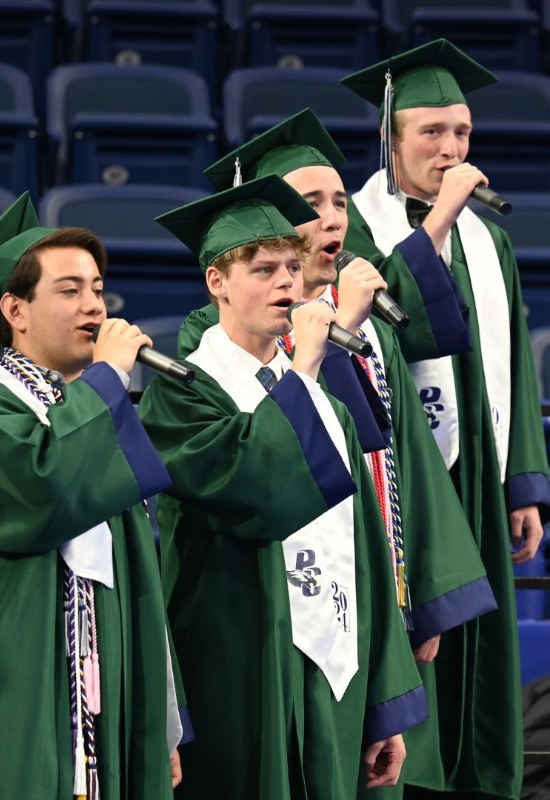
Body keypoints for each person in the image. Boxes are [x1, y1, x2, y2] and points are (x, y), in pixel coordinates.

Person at [140, 175, 428, 800]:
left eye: (292, 269)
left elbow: (367, 557)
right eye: (264, 269)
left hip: (334, 666)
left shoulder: (331, 405)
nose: (287, 285)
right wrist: (302, 370)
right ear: (216, 281)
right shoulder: (183, 391)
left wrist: (386, 707)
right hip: (237, 659)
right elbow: (253, 489)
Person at [195, 108, 496, 662]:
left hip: (381, 582)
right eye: (309, 206)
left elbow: (404, 459)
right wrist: (338, 333)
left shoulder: (370, 329)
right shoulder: (215, 337)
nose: (334, 219)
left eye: (340, 202)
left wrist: (424, 594)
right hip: (284, 604)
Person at [341, 39, 550, 799]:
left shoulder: (489, 241)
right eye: (431, 132)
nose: (450, 148)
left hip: (476, 472)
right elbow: (387, 320)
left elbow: (514, 371)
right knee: (416, 640)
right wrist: (437, 224)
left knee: (477, 651)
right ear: (392, 136)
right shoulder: (356, 229)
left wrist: (524, 485)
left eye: (461, 133)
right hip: (401, 481)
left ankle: (476, 780)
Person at [0, 192, 186, 799]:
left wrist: (162, 720)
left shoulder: (97, 419)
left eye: (98, 288)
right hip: (10, 678)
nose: (94, 305)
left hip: (104, 689)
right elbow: (43, 487)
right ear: (15, 311)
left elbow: (140, 582)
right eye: (69, 290)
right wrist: (106, 379)